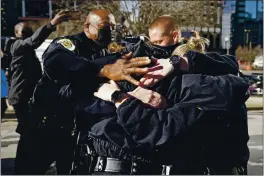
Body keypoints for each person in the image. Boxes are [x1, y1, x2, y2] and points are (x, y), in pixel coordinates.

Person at [70, 15, 249, 174]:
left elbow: (158, 129)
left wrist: (121, 98)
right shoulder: (214, 80)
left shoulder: (209, 88)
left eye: (160, 43)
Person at [25, 9, 152, 175]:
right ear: (87, 27)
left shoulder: (109, 50)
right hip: (45, 125)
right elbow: (55, 61)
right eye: (105, 27)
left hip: (78, 130)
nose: (111, 32)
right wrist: (103, 70)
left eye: (114, 27)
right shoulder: (70, 44)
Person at [11, 10, 71, 174]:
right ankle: (23, 167)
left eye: (29, 30)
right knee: (28, 131)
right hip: (22, 98)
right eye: (25, 31)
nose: (29, 33)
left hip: (29, 97)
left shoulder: (26, 49)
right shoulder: (18, 46)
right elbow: (33, 41)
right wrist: (52, 24)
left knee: (30, 131)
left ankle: (26, 165)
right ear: (17, 34)